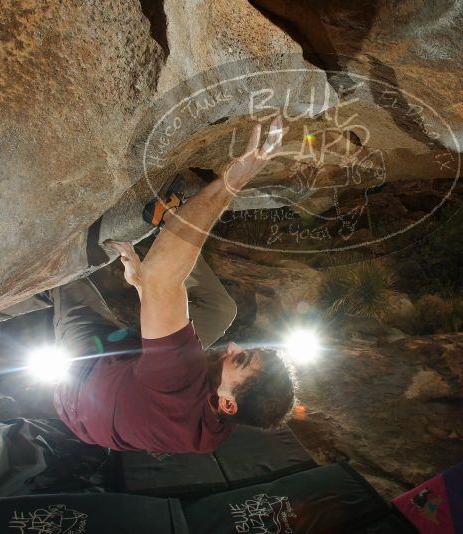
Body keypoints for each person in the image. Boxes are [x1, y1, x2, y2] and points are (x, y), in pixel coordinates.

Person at [48, 116, 295, 454]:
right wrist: (146, 290)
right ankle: (168, 219)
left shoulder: (177, 381)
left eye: (240, 360)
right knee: (222, 310)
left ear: (227, 404)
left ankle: (17, 298)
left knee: (68, 275)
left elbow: (164, 279)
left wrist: (233, 181)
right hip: (139, 380)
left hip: (84, 384)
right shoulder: (219, 420)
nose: (234, 346)